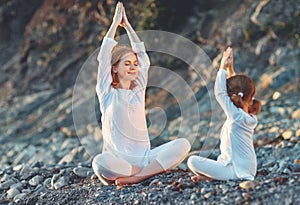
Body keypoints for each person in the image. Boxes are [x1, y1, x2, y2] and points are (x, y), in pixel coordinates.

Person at [92, 2, 191, 187]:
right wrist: (115, 24)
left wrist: (128, 26)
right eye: (127, 63)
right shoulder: (106, 92)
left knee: (184, 144)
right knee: (99, 163)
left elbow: (143, 58)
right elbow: (103, 57)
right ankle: (147, 172)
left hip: (145, 158)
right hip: (120, 163)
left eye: (134, 64)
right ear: (114, 68)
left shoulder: (137, 91)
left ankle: (139, 176)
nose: (133, 67)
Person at [188, 47, 261, 181]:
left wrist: (222, 68)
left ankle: (213, 178)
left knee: (192, 161)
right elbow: (236, 89)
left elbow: (219, 93)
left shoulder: (236, 116)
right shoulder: (245, 115)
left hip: (236, 171)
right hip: (246, 168)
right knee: (207, 162)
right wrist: (230, 70)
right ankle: (211, 178)